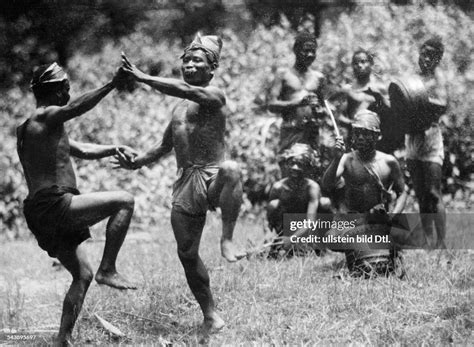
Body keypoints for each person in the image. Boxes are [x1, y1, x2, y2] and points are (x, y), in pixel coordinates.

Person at [115, 34, 245, 332]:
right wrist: (136, 162)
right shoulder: (179, 109)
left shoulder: (215, 94)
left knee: (232, 168)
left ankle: (227, 238)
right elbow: (163, 147)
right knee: (186, 254)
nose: (189, 64)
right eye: (186, 60)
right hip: (186, 181)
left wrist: (142, 76)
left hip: (214, 176)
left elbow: (185, 89)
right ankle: (211, 315)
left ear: (212, 69)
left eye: (197, 60)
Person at [16, 62, 137, 345]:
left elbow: (80, 149)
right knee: (124, 201)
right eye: (67, 88)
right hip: (53, 204)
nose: (69, 93)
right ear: (57, 91)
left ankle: (62, 339)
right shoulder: (46, 116)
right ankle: (108, 269)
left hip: (40, 210)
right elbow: (76, 109)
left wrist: (113, 148)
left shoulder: (34, 127)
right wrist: (111, 84)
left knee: (82, 275)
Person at [322, 110, 408, 277]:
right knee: (330, 238)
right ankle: (362, 250)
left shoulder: (389, 162)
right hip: (355, 219)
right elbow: (327, 184)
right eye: (358, 133)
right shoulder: (347, 159)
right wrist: (335, 159)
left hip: (379, 218)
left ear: (377, 137)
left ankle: (384, 254)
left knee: (403, 233)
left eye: (366, 134)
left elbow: (402, 192)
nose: (361, 138)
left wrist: (394, 215)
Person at [405, 37, 448, 249]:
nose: (426, 58)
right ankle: (427, 239)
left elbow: (443, 104)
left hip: (431, 136)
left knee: (433, 191)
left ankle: (441, 242)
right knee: (421, 193)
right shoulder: (413, 78)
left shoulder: (437, 79)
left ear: (438, 59)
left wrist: (420, 98)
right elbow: (400, 101)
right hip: (412, 137)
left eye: (432, 55)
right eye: (424, 53)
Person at [266, 32, 326, 175]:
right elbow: (271, 105)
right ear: (296, 50)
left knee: (311, 174)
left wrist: (319, 112)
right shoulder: (283, 75)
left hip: (311, 134)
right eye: (306, 50)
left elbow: (323, 109)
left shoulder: (318, 78)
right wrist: (297, 103)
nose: (310, 54)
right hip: (291, 133)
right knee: (289, 173)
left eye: (313, 51)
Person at [266, 143, 330, 257]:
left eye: (300, 164)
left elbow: (310, 221)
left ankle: (321, 244)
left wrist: (292, 239)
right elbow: (269, 221)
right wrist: (269, 239)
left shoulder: (312, 187)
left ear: (307, 167)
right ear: (286, 164)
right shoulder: (278, 187)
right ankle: (282, 243)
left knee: (325, 203)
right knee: (273, 204)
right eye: (292, 163)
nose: (295, 168)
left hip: (308, 228)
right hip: (287, 228)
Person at [333, 49, 392, 150]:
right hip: (354, 138)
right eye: (356, 63)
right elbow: (339, 115)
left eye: (363, 62)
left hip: (375, 140)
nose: (359, 65)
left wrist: (379, 97)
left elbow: (391, 113)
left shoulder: (380, 88)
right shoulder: (348, 89)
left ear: (371, 64)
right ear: (352, 66)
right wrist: (353, 122)